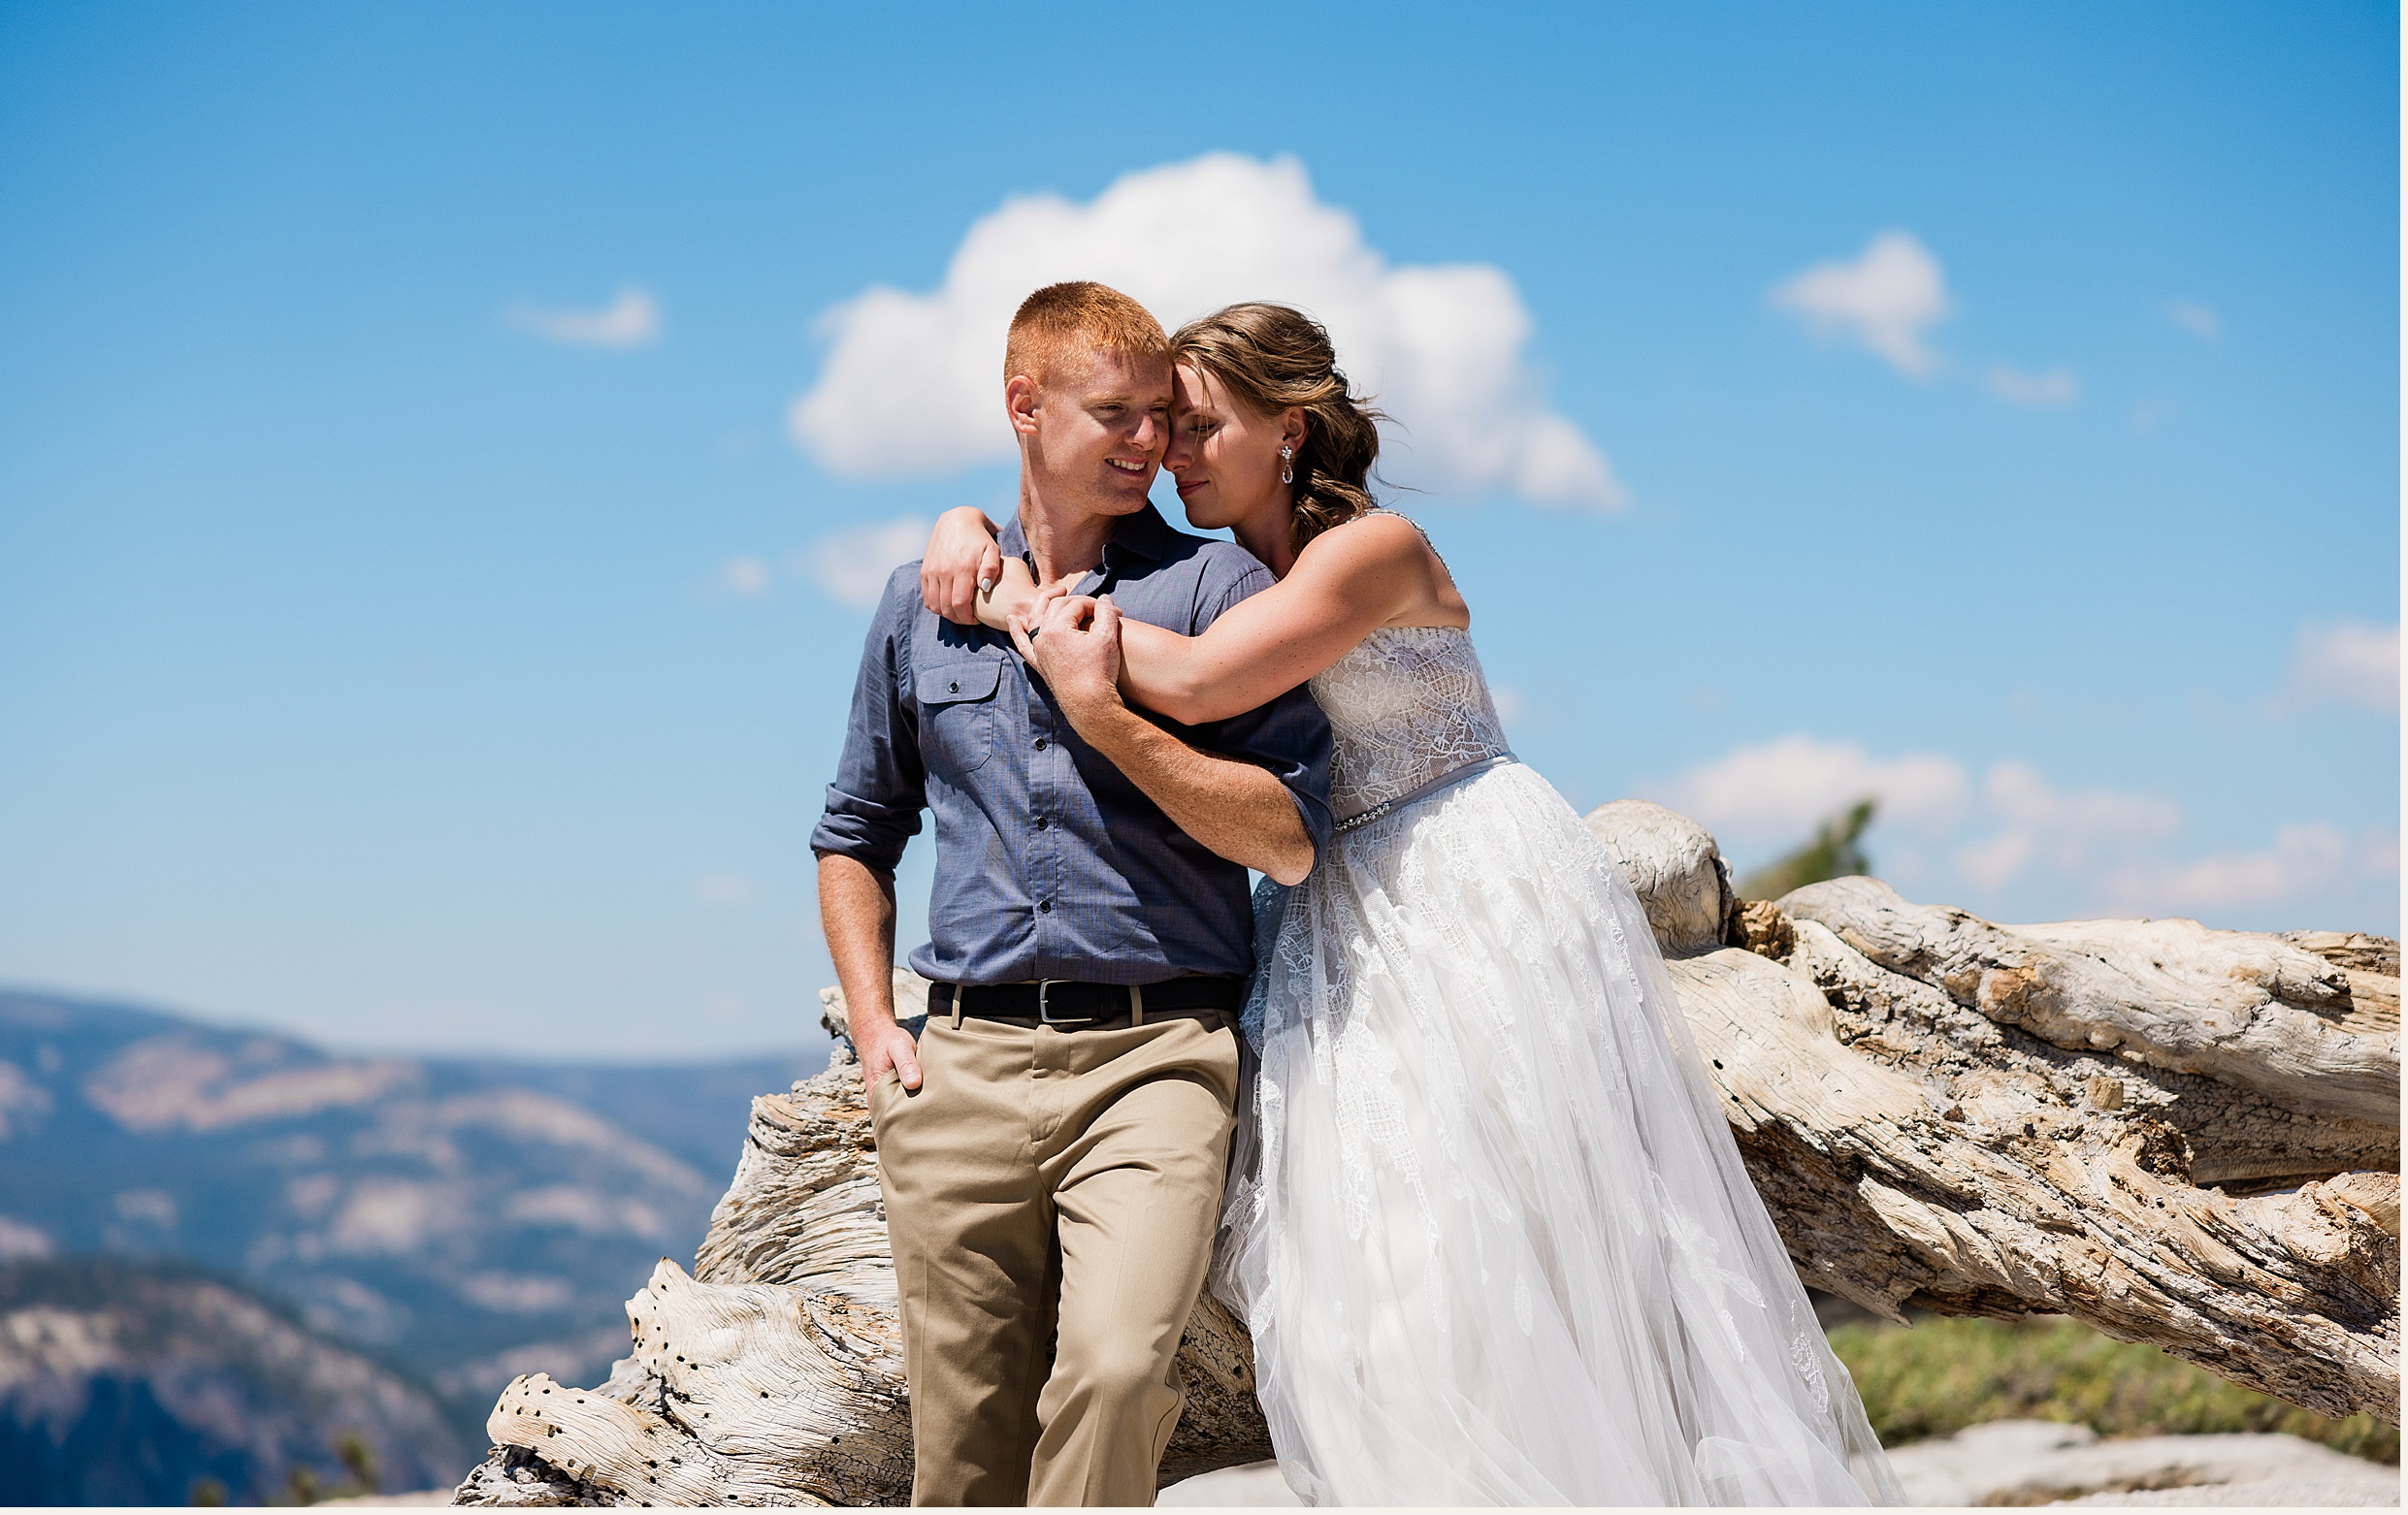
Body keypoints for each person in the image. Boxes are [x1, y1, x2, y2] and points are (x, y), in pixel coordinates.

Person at [917, 302, 1904, 1506]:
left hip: (1463, 883)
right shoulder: (1229, 572)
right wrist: (968, 520)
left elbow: (1189, 678)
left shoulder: (1371, 551)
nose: (1170, 454)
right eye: (1161, 427)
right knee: (1371, 1253)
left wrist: (1008, 593)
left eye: (1198, 427)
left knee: (1514, 1238)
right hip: (1334, 904)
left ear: (1287, 432)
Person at [812, 283, 1336, 1507]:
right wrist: (879, 1026)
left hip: (1159, 1055)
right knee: (965, 1447)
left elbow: (1288, 834)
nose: (1150, 441)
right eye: (1117, 413)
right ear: (1023, 407)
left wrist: (1106, 714)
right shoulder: (923, 600)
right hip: (961, 1066)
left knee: (1113, 1371)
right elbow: (853, 830)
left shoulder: (1213, 597)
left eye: (1161, 414)